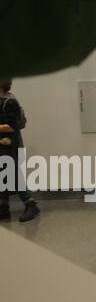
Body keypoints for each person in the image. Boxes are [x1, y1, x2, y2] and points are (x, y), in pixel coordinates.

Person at [0, 80, 38, 222]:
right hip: (2, 143)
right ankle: (3, 207)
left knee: (12, 172)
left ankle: (30, 203)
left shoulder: (10, 102)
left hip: (10, 144)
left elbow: (10, 127)